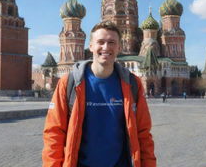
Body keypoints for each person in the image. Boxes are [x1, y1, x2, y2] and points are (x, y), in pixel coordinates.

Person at [42, 21, 157, 167]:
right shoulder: (69, 83)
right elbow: (54, 132)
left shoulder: (132, 84)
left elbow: (143, 134)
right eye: (100, 42)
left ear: (119, 47)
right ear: (90, 46)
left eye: (111, 42)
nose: (106, 47)